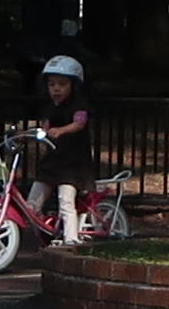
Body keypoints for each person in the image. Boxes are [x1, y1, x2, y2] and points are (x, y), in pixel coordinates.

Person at [29, 52, 111, 241]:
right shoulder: (49, 107)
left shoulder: (79, 105)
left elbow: (79, 123)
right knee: (32, 203)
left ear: (74, 85)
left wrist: (62, 131)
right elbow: (45, 126)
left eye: (62, 84)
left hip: (73, 163)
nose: (56, 89)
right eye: (52, 84)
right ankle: (45, 232)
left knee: (66, 201)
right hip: (53, 161)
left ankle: (71, 239)